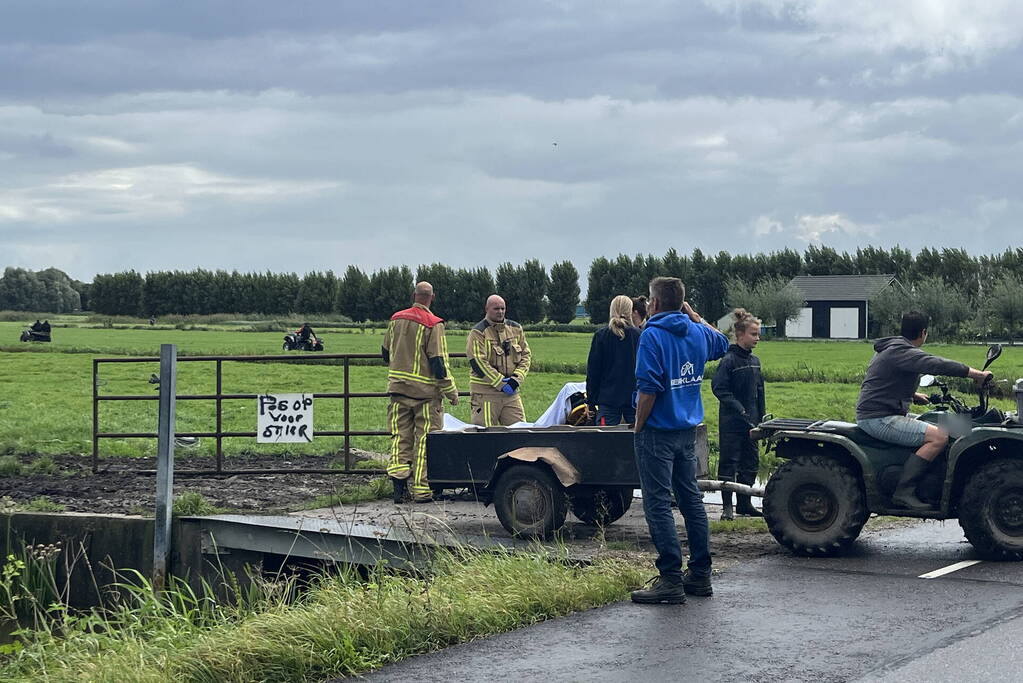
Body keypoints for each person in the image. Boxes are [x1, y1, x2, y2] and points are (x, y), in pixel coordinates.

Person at [630, 277, 729, 605]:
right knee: (690, 500)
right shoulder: (697, 332)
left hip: (657, 430)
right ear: (682, 302)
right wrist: (695, 316)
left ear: (653, 304)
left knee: (657, 503)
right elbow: (723, 342)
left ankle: (670, 577)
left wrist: (637, 426)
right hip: (688, 429)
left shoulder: (652, 336)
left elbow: (649, 388)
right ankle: (700, 573)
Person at [856, 310, 992, 510]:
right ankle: (904, 492)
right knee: (939, 437)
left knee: (940, 423)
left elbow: (884, 382)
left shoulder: (893, 348)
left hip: (882, 411)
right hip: (879, 417)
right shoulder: (902, 351)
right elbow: (936, 364)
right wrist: (976, 374)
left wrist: (913, 396)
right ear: (923, 333)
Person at [382, 282, 459, 503]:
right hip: (425, 395)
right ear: (432, 297)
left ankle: (399, 489)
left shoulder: (395, 319)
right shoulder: (433, 324)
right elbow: (438, 362)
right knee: (425, 442)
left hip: (397, 390)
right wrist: (451, 391)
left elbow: (385, 352)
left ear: (413, 295)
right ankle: (421, 491)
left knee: (399, 439)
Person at [712, 309, 766, 520]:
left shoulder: (755, 361)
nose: (757, 338)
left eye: (758, 334)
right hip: (732, 423)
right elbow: (719, 388)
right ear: (740, 334)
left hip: (752, 422)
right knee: (729, 462)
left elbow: (760, 392)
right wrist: (738, 409)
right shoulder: (728, 361)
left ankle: (745, 503)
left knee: (750, 463)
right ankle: (727, 508)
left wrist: (761, 416)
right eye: (754, 334)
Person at [466, 295, 531, 426]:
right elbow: (478, 362)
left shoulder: (516, 329)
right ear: (487, 309)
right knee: (484, 436)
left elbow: (526, 356)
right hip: (485, 394)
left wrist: (516, 380)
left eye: (503, 308)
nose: (500, 312)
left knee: (520, 432)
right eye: (496, 309)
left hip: (511, 394)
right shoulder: (478, 332)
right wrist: (500, 383)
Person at [586, 295, 641, 426]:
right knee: (635, 444)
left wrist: (591, 402)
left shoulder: (601, 336)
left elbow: (593, 372)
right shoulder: (639, 336)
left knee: (606, 444)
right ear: (630, 311)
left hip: (608, 403)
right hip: (634, 404)